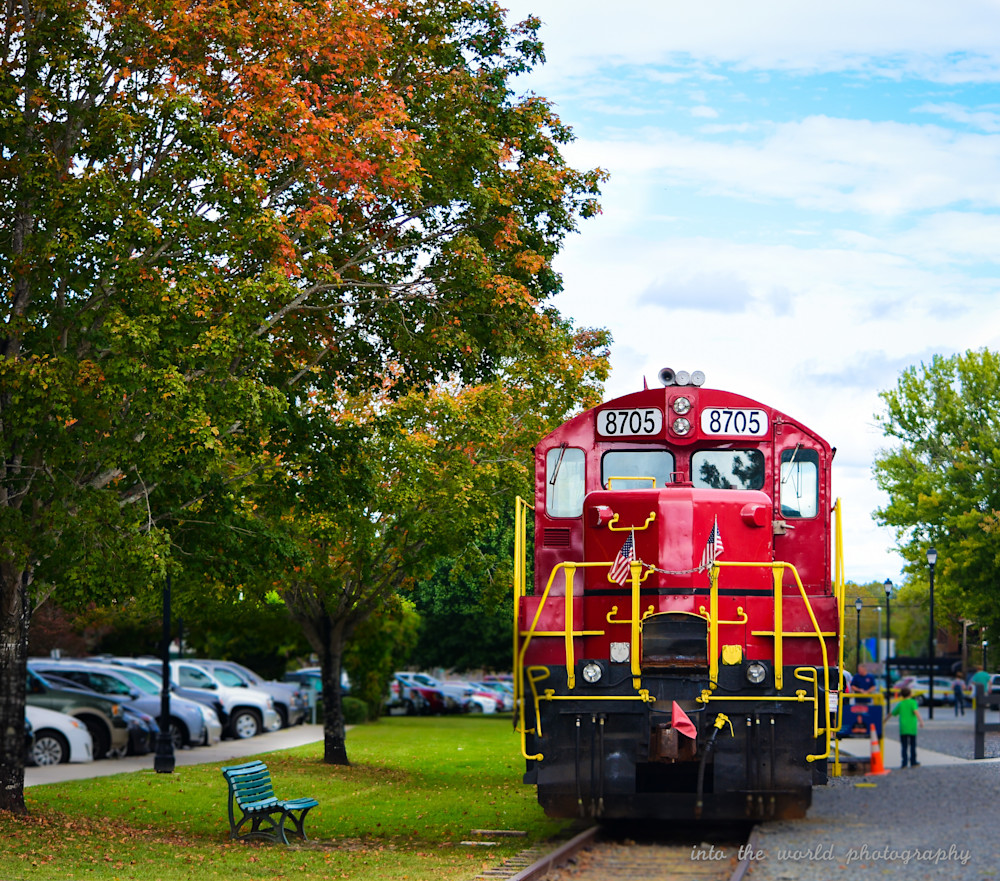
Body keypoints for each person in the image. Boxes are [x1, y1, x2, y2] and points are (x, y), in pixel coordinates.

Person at [890, 686, 924, 768]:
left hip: (903, 728)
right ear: (910, 694)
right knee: (913, 745)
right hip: (912, 727)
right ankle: (913, 761)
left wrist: (884, 721)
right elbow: (915, 711)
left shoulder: (901, 704)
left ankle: (904, 763)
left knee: (904, 746)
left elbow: (892, 713)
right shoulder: (913, 702)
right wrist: (921, 721)